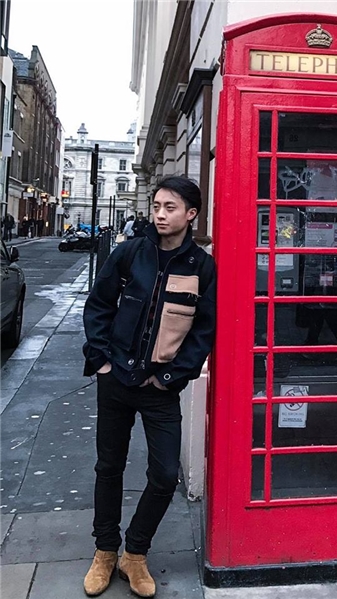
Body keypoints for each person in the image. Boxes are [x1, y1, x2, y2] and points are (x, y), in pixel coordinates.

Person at [82, 175, 216, 597]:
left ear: (190, 214)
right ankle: (105, 550)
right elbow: (98, 305)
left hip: (160, 386)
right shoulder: (130, 253)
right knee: (109, 467)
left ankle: (135, 553)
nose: (159, 214)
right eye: (156, 206)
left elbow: (204, 331)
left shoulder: (201, 267)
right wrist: (101, 360)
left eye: (169, 208)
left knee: (164, 474)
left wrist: (172, 376)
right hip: (116, 379)